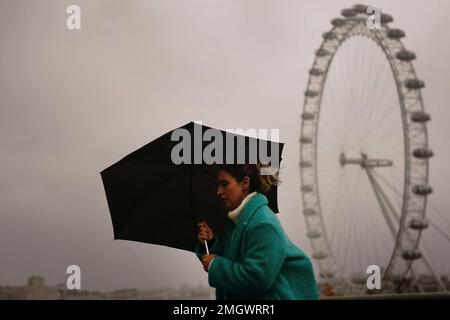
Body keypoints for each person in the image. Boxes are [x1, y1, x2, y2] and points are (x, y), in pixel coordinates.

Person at [195, 163, 320, 300]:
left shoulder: (263, 223)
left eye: (224, 184)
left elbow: (258, 278)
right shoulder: (235, 223)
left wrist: (215, 265)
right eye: (218, 185)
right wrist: (211, 242)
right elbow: (232, 259)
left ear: (244, 183)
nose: (218, 192)